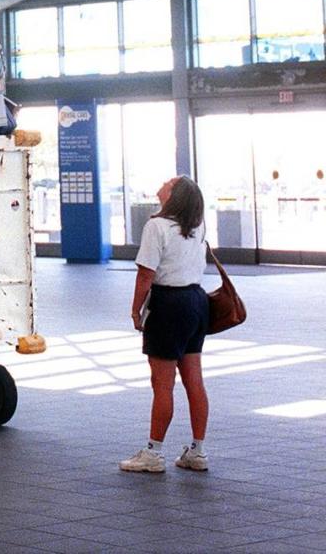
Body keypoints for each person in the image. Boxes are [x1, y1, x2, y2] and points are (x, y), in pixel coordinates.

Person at [120, 175, 211, 475]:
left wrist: (136, 311)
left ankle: (153, 453)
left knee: (162, 384)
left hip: (168, 305)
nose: (162, 183)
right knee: (193, 379)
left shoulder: (156, 226)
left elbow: (145, 276)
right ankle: (197, 451)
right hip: (197, 302)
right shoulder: (196, 227)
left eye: (169, 183)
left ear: (174, 196)